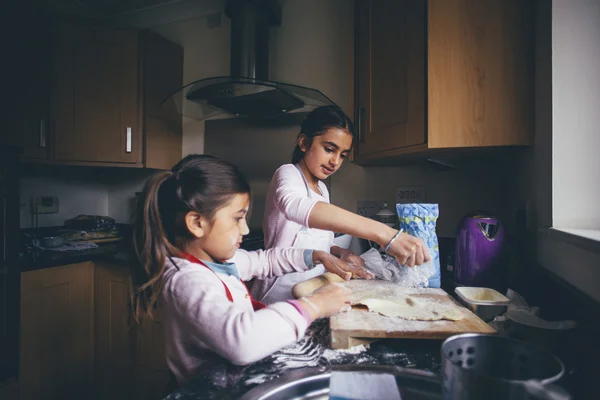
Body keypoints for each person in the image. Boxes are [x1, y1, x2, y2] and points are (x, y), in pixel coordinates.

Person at [130, 154, 365, 386]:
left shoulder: (217, 261)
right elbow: (242, 341)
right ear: (196, 223)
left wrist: (315, 255)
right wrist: (313, 305)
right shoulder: (187, 280)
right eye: (237, 218)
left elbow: (265, 260)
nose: (244, 229)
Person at [252, 105, 431, 304]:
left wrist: (342, 253)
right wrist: (386, 234)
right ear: (304, 142)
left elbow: (323, 243)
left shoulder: (322, 189)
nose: (335, 161)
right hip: (276, 296)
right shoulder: (287, 173)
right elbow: (295, 206)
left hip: (312, 293)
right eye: (329, 149)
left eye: (343, 155)